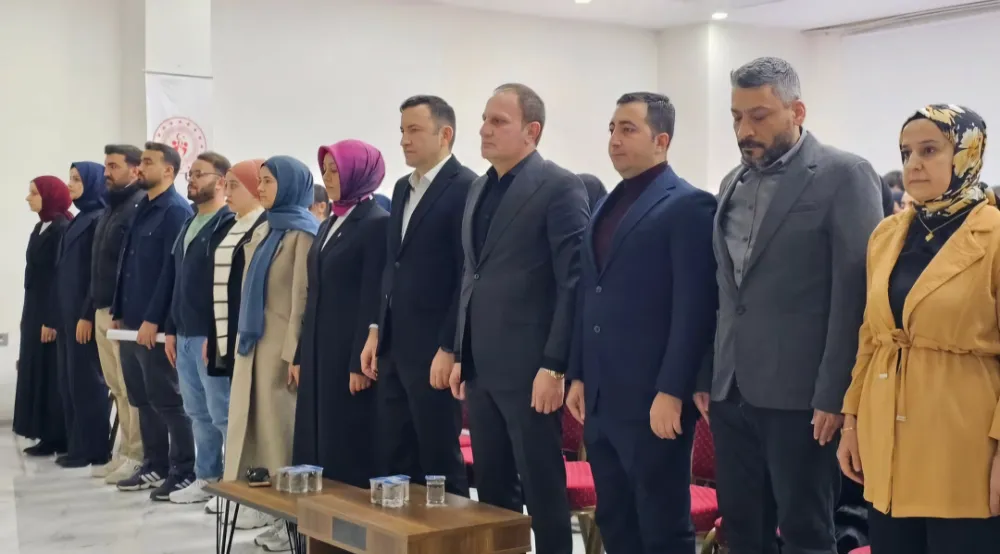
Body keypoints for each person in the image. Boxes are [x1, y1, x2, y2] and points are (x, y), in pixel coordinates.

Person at [694, 57, 882, 554]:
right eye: (736, 117)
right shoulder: (731, 183)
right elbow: (725, 294)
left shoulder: (845, 175)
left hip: (803, 398)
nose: (744, 130)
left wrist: (835, 394)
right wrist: (707, 375)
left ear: (796, 111)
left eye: (758, 116)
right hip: (731, 391)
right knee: (743, 530)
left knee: (805, 532)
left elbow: (854, 296)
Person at [839, 104, 1000, 553]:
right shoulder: (887, 235)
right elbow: (870, 337)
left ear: (967, 153)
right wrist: (851, 422)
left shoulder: (994, 236)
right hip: (886, 433)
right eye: (906, 152)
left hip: (964, 440)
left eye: (929, 150)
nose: (913, 163)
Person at [566, 92, 717, 553]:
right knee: (615, 519)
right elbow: (589, 294)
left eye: (628, 129)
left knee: (661, 524)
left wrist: (672, 390)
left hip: (654, 399)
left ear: (661, 140)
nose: (615, 139)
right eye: (612, 128)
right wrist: (578, 374)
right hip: (602, 398)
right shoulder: (606, 205)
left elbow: (693, 308)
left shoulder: (688, 205)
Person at [450, 83, 588, 554]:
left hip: (532, 369)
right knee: (492, 492)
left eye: (498, 121)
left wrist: (555, 366)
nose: (484, 130)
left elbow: (572, 282)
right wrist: (460, 350)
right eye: (484, 119)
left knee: (541, 487)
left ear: (532, 131)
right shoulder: (479, 187)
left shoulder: (558, 186)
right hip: (482, 366)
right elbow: (471, 275)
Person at [359, 95, 476, 496]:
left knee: (439, 457)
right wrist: (376, 329)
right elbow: (392, 266)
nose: (404, 140)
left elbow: (465, 275)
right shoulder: (401, 187)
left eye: (414, 130)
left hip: (434, 348)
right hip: (394, 344)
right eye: (402, 131)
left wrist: (450, 346)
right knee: (394, 453)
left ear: (445, 134)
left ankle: (451, 531)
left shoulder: (466, 187)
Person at [225, 155, 316, 540]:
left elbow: (301, 300)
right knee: (258, 434)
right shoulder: (267, 229)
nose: (259, 188)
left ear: (291, 185)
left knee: (281, 435)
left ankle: (293, 523)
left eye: (268, 181)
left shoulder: (302, 233)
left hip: (280, 352)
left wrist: (294, 354)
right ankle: (272, 511)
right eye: (259, 180)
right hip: (254, 346)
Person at [293, 139, 389, 494]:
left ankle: (342, 523)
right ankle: (311, 520)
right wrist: (300, 354)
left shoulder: (377, 223)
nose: (328, 177)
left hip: (348, 351)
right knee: (314, 438)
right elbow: (314, 292)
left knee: (344, 441)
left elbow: (373, 296)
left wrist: (357, 363)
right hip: (318, 348)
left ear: (359, 173)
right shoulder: (329, 222)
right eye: (325, 170)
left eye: (336, 170)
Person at [112, 142, 196, 500]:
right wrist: (118, 310)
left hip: (153, 326)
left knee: (168, 400)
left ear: (168, 170)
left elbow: (170, 272)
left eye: (147, 162)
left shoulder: (175, 211)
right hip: (131, 322)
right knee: (142, 397)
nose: (140, 168)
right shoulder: (142, 208)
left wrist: (154, 319)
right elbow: (127, 264)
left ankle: (183, 469)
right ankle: (154, 463)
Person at [163, 152, 237, 505]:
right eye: (190, 174)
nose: (191, 180)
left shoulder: (228, 224)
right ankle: (206, 477)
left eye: (199, 174)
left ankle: (232, 485)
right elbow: (175, 280)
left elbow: (224, 286)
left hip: (210, 335)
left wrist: (215, 332)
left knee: (222, 413)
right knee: (197, 412)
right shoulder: (188, 223)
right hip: (184, 332)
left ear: (221, 181)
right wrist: (170, 328)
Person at [91, 144, 145, 484]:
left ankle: (137, 454)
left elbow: (131, 266)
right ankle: (125, 451)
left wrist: (120, 308)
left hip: (119, 312)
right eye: (106, 166)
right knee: (116, 387)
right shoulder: (111, 207)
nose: (107, 173)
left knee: (129, 386)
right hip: (102, 308)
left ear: (135, 170)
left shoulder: (136, 206)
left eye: (114, 166)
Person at [54, 161, 112, 468]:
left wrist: (86, 314)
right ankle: (77, 445)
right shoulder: (80, 218)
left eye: (77, 179)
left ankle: (92, 449)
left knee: (87, 384)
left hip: (81, 315)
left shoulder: (98, 218)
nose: (70, 184)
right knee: (70, 383)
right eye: (70, 179)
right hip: (67, 314)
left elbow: (95, 274)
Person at [14, 176, 73, 457]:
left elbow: (59, 277)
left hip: (50, 310)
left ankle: (56, 436)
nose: (29, 198)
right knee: (35, 368)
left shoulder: (61, 228)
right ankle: (42, 432)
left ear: (50, 196)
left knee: (50, 372)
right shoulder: (41, 227)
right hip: (35, 308)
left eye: (34, 193)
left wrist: (51, 319)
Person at [215, 160, 267, 379]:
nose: (227, 192)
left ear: (254, 186)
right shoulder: (231, 225)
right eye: (226, 185)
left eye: (234, 185)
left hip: (248, 329)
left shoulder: (265, 226)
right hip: (225, 330)